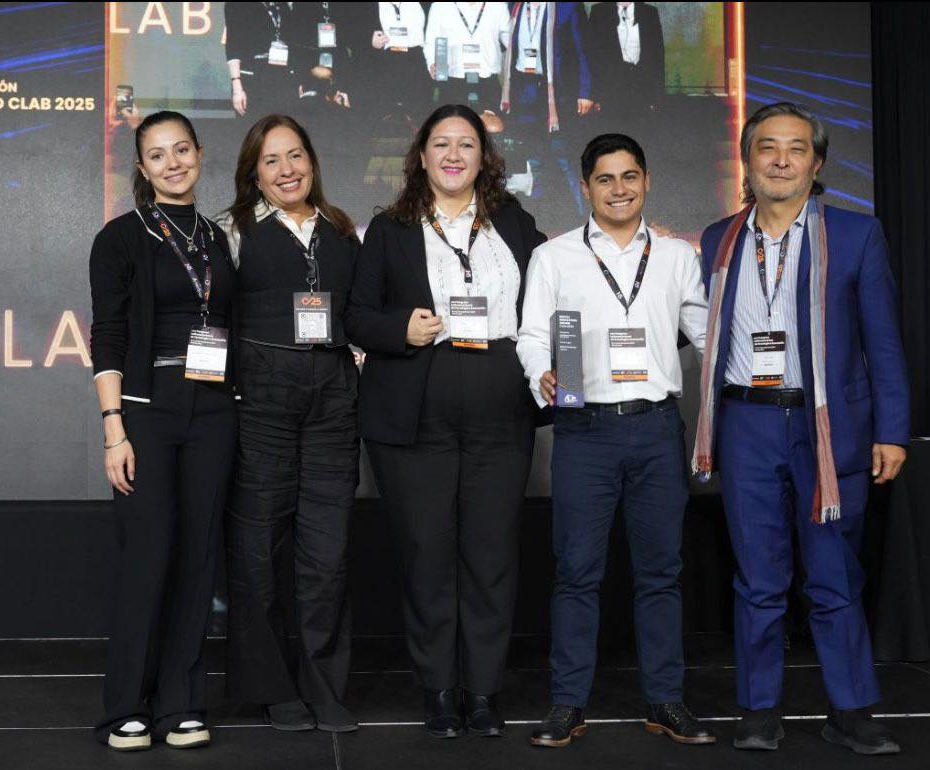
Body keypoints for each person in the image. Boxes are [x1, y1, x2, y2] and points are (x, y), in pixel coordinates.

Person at [691, 101, 909, 755]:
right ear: (747, 160)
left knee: (833, 576)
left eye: (796, 148)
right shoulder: (718, 238)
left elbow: (883, 340)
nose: (781, 160)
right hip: (746, 425)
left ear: (816, 164)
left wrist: (893, 430)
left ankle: (851, 710)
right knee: (758, 579)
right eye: (767, 147)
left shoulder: (856, 234)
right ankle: (759, 710)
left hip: (829, 429)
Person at [346, 103, 546, 739]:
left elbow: (555, 302)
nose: (454, 154)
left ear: (484, 157)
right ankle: (438, 689)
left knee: (491, 556)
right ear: (422, 155)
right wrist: (398, 329)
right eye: (442, 143)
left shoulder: (515, 223)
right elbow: (356, 316)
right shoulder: (391, 228)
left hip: (500, 411)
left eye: (466, 144)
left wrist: (561, 372)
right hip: (415, 416)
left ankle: (483, 692)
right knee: (427, 556)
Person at [517, 133, 714, 749]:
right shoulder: (554, 257)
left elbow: (706, 335)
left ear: (647, 181)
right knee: (577, 572)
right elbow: (531, 335)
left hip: (656, 428)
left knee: (661, 573)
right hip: (586, 431)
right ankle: (567, 704)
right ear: (585, 188)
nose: (619, 189)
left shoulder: (677, 256)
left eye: (630, 176)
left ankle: (666, 700)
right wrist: (541, 371)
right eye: (605, 179)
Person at [89, 111, 238, 751]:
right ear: (142, 168)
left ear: (199, 153)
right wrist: (113, 429)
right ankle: (126, 705)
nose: (172, 163)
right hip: (146, 411)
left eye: (182, 150)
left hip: (214, 410)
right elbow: (108, 335)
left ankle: (181, 703)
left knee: (199, 559)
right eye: (157, 155)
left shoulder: (216, 236)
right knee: (147, 556)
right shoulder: (120, 238)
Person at [220, 114, 361, 734]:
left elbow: (359, 312)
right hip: (261, 399)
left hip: (332, 401)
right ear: (254, 173)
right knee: (258, 550)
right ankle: (273, 689)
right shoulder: (232, 230)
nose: (287, 170)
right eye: (272, 160)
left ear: (312, 162)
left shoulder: (341, 229)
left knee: (326, 554)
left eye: (296, 155)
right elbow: (211, 315)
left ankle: (323, 688)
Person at [498, 2, 594, 219]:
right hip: (523, 92)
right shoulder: (513, 6)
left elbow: (582, 50)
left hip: (557, 95)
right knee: (532, 157)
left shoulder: (568, 7)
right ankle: (534, 217)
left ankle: (584, 217)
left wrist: (585, 91)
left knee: (565, 157)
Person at [583, 2, 665, 136]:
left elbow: (657, 58)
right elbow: (592, 58)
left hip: (641, 93)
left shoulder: (650, 13)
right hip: (610, 94)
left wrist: (655, 99)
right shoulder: (599, 11)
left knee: (640, 138)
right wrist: (596, 96)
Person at [423, 2, 511, 112]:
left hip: (487, 79)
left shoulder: (499, 6)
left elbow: (509, 38)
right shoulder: (440, 6)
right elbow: (431, 41)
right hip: (453, 79)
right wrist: (432, 63)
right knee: (454, 120)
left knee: (487, 122)